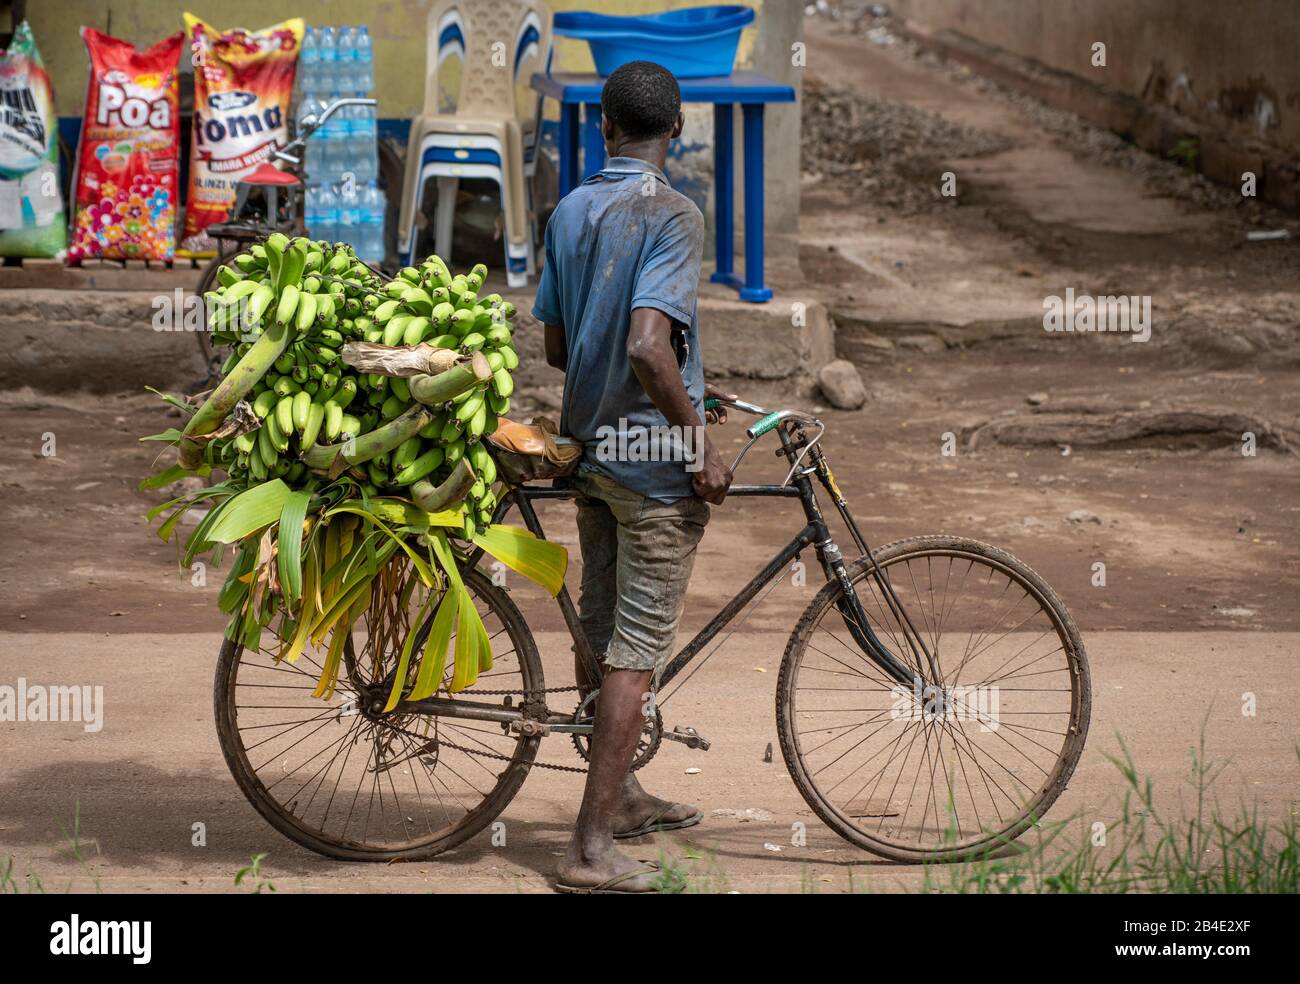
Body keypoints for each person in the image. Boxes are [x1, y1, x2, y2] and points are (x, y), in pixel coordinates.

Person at [532, 60, 735, 893]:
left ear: (606, 127)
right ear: (675, 129)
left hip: (591, 452)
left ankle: (619, 802)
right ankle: (588, 850)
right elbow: (649, 345)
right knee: (635, 652)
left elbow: (555, 346)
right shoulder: (675, 214)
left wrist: (688, 390)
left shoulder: (571, 209)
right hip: (651, 468)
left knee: (604, 624)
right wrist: (697, 446)